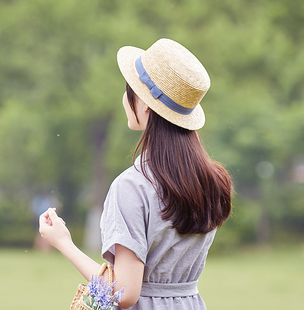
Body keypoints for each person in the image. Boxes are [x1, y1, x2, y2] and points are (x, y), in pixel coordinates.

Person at [39, 38, 232, 310]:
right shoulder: (212, 181)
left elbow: (125, 293)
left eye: (129, 89)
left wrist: (63, 243)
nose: (124, 97)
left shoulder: (132, 186)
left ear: (144, 104)